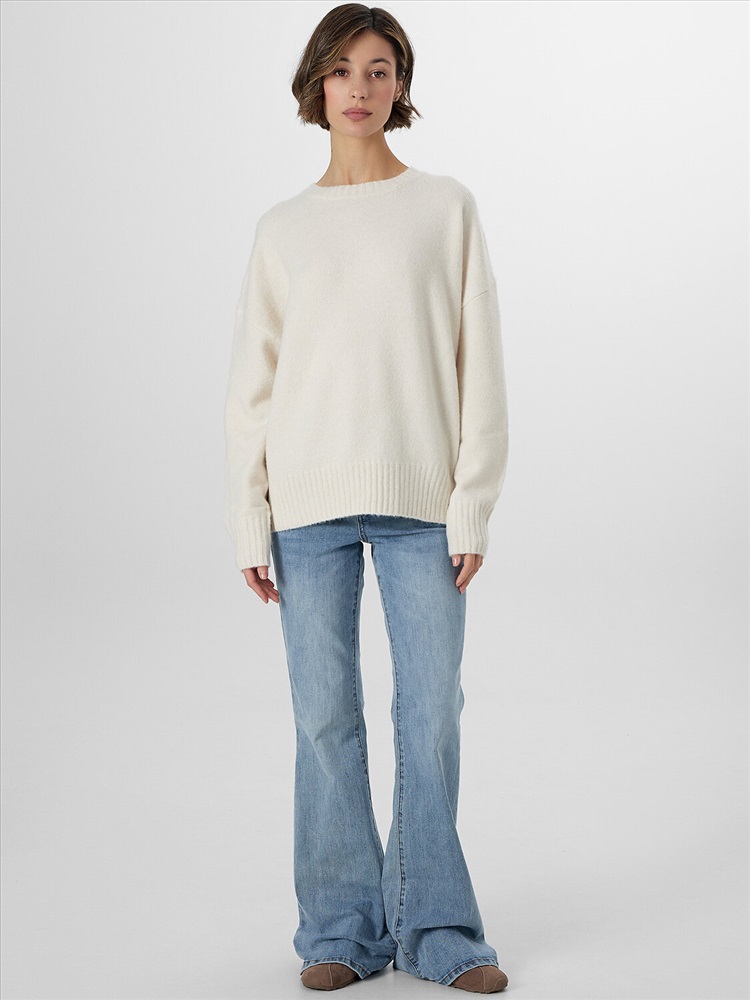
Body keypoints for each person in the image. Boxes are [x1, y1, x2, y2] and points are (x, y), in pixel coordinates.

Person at [223, 3, 509, 993]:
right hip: (306, 508)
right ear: (317, 84)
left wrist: (473, 501)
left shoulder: (445, 208)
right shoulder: (283, 229)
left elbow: (480, 364)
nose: (360, 87)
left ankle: (437, 927)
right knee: (324, 722)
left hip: (423, 500)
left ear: (401, 85)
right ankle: (342, 927)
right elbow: (252, 388)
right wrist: (248, 515)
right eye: (342, 69)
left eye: (379, 69)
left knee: (430, 714)